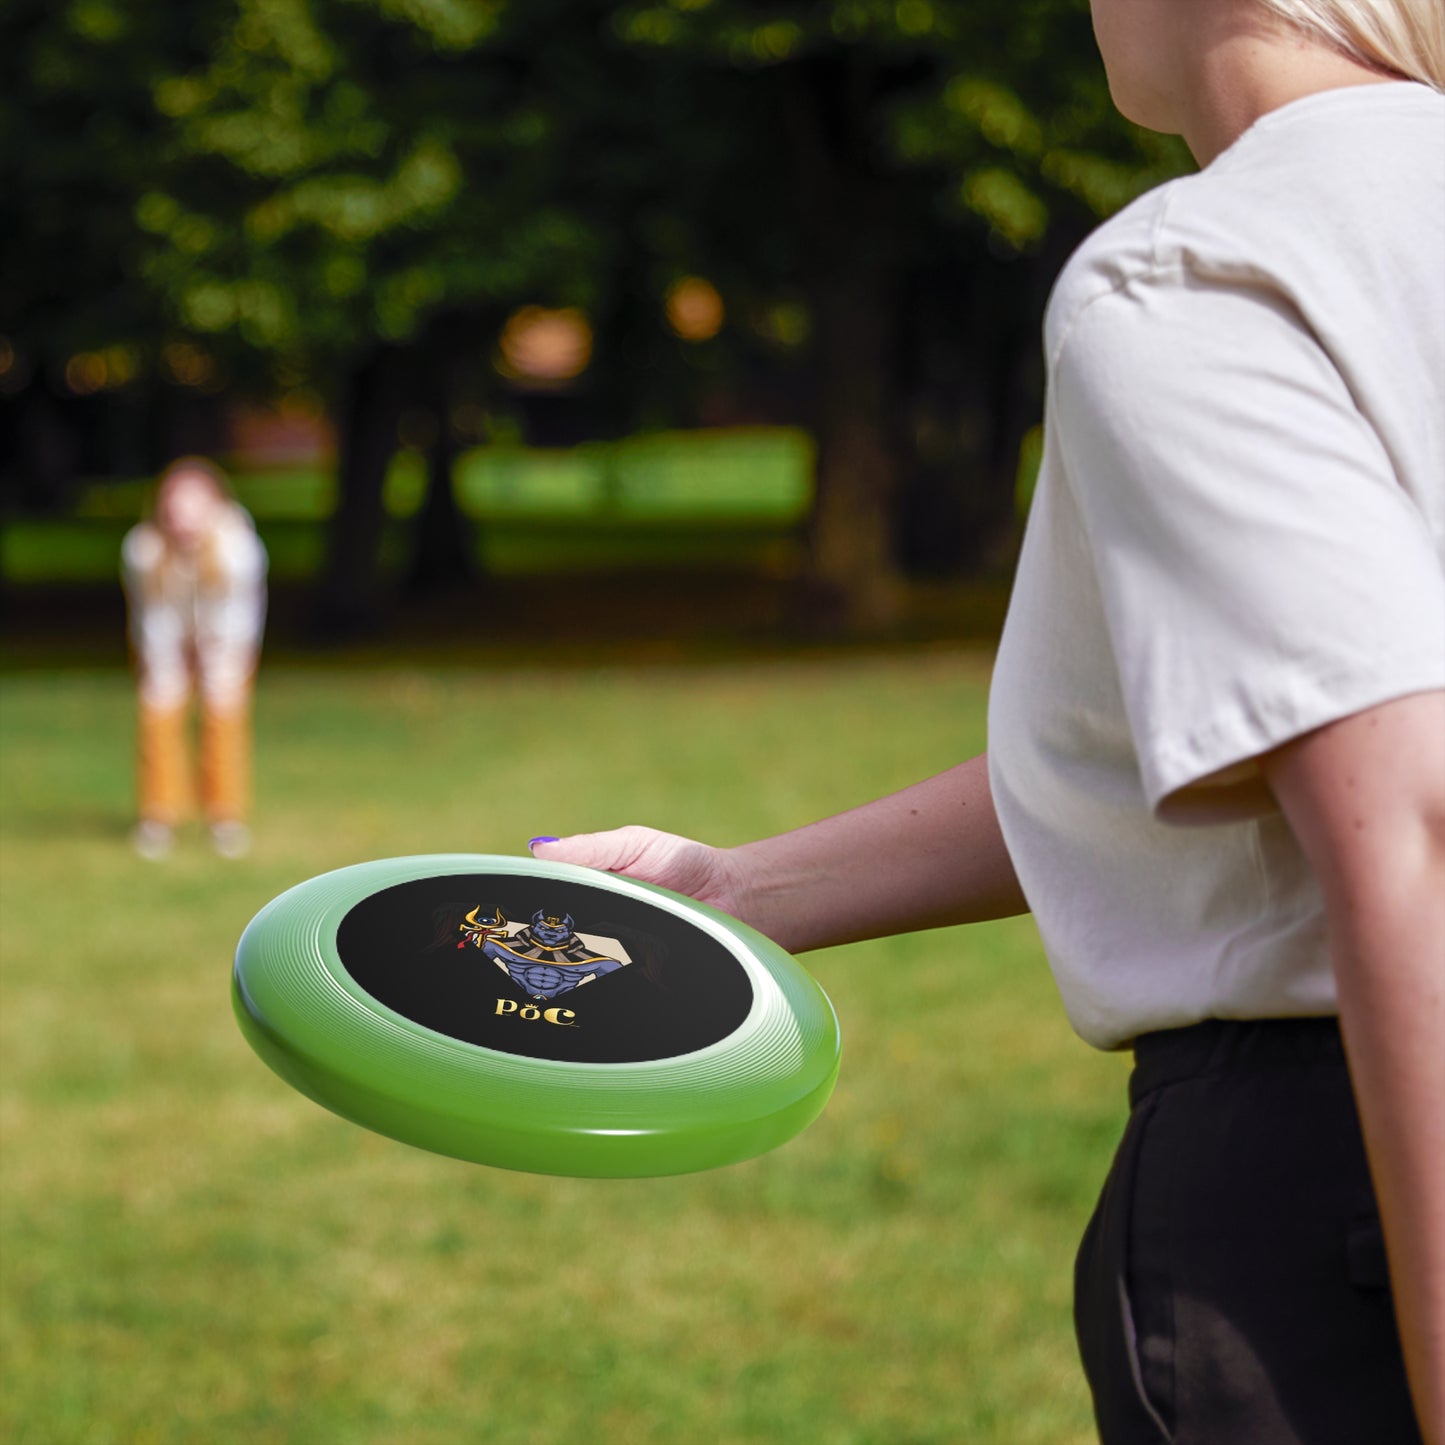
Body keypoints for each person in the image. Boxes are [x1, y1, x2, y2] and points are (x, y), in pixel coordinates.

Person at [529, 2, 1445, 1441]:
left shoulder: (1204, 270)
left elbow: (1408, 821)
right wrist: (737, 889)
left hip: (1342, 1189)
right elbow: (1224, 740)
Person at [121, 457, 268, 860]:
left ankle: (225, 817)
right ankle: (158, 816)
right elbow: (152, 616)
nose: (182, 517)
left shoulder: (239, 548)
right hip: (165, 641)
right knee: (158, 713)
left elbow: (239, 616)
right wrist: (168, 664)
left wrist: (215, 659)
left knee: (223, 717)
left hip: (226, 642)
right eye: (174, 506)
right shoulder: (143, 549)